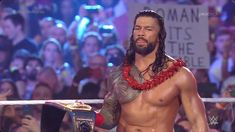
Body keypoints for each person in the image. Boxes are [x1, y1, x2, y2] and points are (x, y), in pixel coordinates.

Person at [94, 10, 209, 131]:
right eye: (137, 28)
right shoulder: (119, 74)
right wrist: (84, 114)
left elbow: (198, 123)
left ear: (160, 36)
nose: (141, 33)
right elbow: (108, 119)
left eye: (148, 29)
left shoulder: (180, 75)